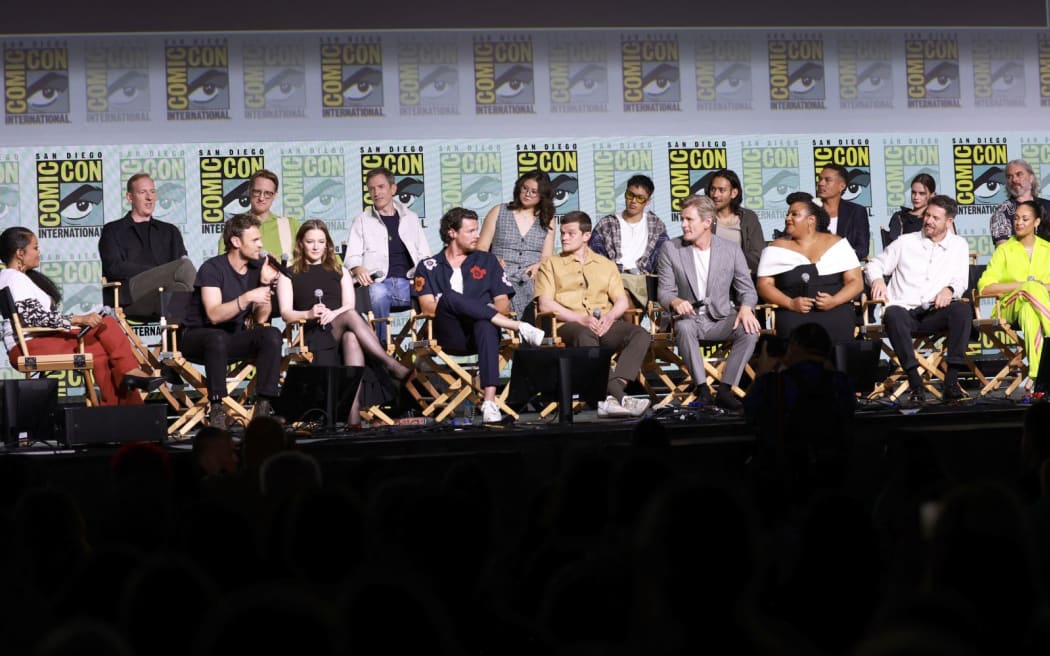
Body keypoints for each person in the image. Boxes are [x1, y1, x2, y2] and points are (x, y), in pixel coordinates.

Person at [0, 227, 164, 406]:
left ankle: (120, 407)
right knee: (106, 327)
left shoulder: (13, 277)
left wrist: (81, 320)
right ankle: (129, 392)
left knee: (101, 346)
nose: (39, 252)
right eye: (35, 248)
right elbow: (35, 319)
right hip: (30, 347)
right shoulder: (14, 278)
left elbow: (38, 318)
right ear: (20, 253)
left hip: (38, 341)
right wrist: (78, 319)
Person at [412, 207, 545, 424]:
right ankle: (518, 327)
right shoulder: (428, 266)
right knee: (449, 298)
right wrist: (473, 305)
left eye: (477, 230)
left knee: (484, 322)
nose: (478, 236)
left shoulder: (488, 261)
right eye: (471, 231)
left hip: (480, 334)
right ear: (451, 233)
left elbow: (502, 302)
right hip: (447, 335)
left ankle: (490, 402)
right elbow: (428, 307)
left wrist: (482, 311)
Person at [277, 219, 413, 429]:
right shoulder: (289, 273)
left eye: (320, 241)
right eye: (310, 241)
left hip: (340, 325)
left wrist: (333, 314)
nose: (315, 246)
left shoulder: (340, 270)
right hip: (312, 333)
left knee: (351, 335)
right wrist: (310, 312)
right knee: (349, 318)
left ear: (327, 244)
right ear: (301, 244)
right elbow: (286, 313)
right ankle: (390, 364)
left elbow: (348, 304)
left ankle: (353, 413)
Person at [535, 210, 652, 418]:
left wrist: (610, 318)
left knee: (640, 334)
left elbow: (622, 301)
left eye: (571, 233)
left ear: (586, 236)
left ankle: (611, 393)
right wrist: (579, 318)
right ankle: (618, 396)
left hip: (602, 324)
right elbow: (545, 304)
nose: (564, 237)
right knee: (584, 333)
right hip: (568, 325)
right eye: (562, 233)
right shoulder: (550, 264)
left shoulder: (605, 265)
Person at [656, 195, 761, 411]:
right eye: (682, 219)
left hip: (722, 317)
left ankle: (725, 389)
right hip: (690, 319)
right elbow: (664, 292)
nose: (683, 225)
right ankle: (702, 389)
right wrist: (675, 301)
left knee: (750, 330)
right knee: (684, 327)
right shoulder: (671, 248)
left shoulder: (731, 249)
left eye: (689, 219)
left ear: (707, 222)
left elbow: (747, 289)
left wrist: (746, 308)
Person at [181, 213, 284, 430]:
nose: (261, 245)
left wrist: (266, 284)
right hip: (198, 338)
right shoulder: (212, 268)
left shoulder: (257, 268)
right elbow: (214, 315)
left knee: (271, 335)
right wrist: (246, 297)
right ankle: (217, 408)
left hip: (232, 339)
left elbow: (261, 317)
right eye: (255, 240)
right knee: (216, 336)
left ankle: (263, 408)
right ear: (236, 242)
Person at [866, 194, 971, 403]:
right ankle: (915, 383)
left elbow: (961, 280)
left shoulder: (959, 245)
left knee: (962, 310)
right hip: (904, 312)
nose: (928, 221)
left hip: (935, 311)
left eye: (935, 218)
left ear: (949, 222)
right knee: (893, 313)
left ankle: (951, 381)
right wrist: (877, 280)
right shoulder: (905, 242)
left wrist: (949, 289)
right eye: (927, 215)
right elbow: (874, 264)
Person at [756, 192, 863, 344]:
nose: (788, 218)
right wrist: (790, 303)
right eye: (788, 214)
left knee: (839, 330)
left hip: (835, 310)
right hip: (792, 312)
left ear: (811, 220)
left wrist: (834, 300)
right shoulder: (776, 247)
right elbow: (764, 285)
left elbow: (856, 282)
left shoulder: (837, 244)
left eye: (794, 214)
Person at [346, 167, 433, 343]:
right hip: (376, 284)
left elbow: (425, 255)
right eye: (371, 189)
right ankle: (382, 345)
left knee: (440, 292)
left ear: (393, 189)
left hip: (408, 285)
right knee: (379, 292)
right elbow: (351, 257)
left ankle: (425, 345)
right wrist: (357, 267)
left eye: (380, 187)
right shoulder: (361, 220)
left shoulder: (411, 218)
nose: (376, 193)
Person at [98, 172, 197, 317]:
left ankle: (178, 339)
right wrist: (158, 272)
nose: (149, 197)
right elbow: (114, 268)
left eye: (152, 192)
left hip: (163, 294)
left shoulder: (170, 231)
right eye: (143, 192)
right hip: (130, 298)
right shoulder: (112, 230)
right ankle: (208, 315)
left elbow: (180, 269)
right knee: (184, 266)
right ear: (130, 197)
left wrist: (164, 275)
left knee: (180, 290)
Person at [978, 200, 1050, 395]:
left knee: (1030, 313)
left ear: (1036, 222)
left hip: (1035, 308)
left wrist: (1039, 288)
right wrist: (1024, 285)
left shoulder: (1047, 249)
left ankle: (1037, 376)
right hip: (1008, 306)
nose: (1018, 222)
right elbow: (984, 287)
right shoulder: (1004, 250)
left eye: (1024, 219)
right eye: (1016, 218)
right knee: (1030, 287)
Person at [478, 171, 555, 321]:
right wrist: (491, 262)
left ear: (543, 196)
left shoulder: (547, 219)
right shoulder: (498, 211)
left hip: (531, 277)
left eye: (534, 192)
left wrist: (539, 265)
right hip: (499, 274)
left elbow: (547, 256)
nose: (527, 194)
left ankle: (529, 334)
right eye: (525, 188)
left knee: (541, 291)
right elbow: (481, 247)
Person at [588, 174, 669, 307]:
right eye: (630, 195)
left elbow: (664, 256)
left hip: (642, 280)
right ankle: (632, 327)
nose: (633, 201)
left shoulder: (656, 225)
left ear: (648, 201)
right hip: (612, 277)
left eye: (640, 198)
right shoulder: (607, 223)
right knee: (621, 292)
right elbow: (593, 256)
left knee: (626, 294)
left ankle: (631, 326)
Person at [218, 169, 301, 258]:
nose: (261, 198)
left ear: (275, 196)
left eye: (268, 193)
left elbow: (303, 262)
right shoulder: (234, 226)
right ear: (249, 192)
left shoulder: (291, 225)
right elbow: (224, 266)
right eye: (257, 192)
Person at [706, 168, 765, 276]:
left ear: (734, 193)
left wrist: (732, 258)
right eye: (713, 189)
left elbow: (758, 256)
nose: (715, 195)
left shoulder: (748, 218)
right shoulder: (704, 217)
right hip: (713, 279)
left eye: (721, 190)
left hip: (742, 278)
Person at [989, 159, 1050, 246]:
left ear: (1031, 178)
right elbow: (1003, 250)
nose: (1014, 180)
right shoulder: (1002, 211)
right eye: (1009, 177)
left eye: (1019, 174)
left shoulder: (1048, 206)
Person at [816, 163, 870, 261]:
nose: (821, 183)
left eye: (828, 180)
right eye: (820, 179)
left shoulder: (857, 211)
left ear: (842, 186)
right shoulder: (809, 211)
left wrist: (837, 259)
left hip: (844, 268)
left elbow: (862, 249)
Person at [884, 173, 936, 247]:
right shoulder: (899, 217)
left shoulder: (938, 217)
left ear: (932, 195)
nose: (916, 197)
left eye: (922, 193)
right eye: (913, 192)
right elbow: (894, 248)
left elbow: (951, 245)